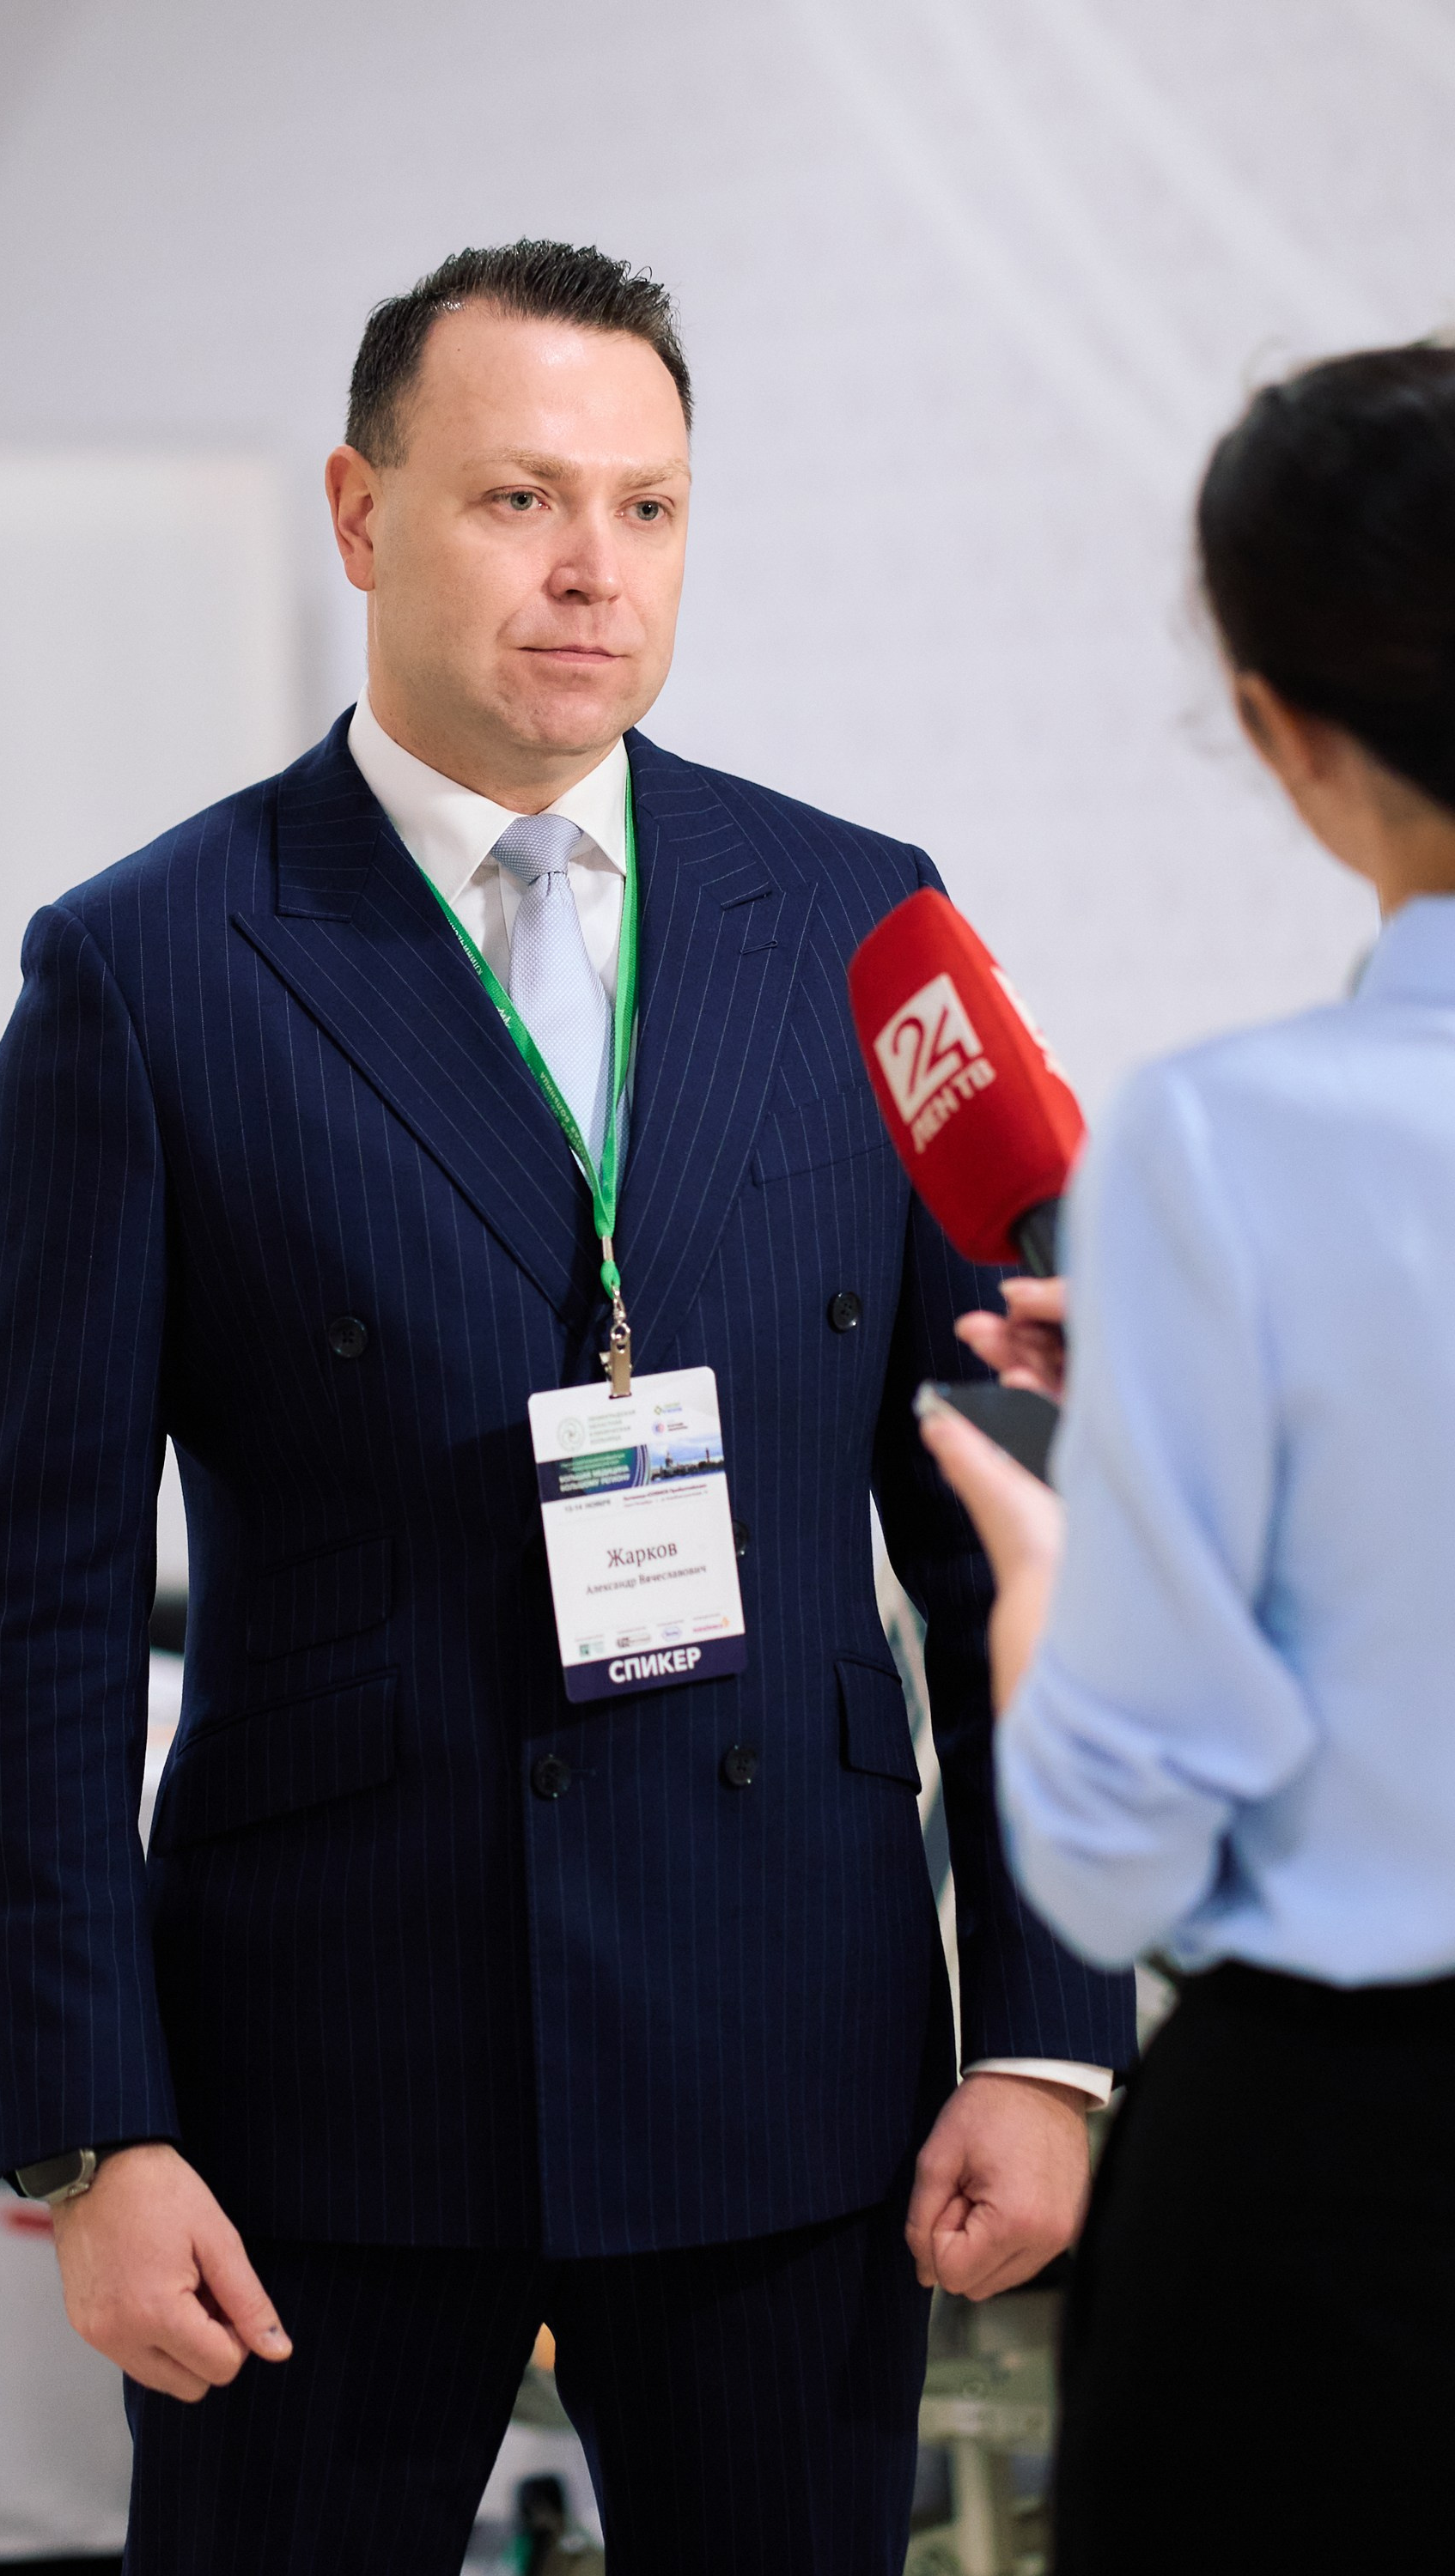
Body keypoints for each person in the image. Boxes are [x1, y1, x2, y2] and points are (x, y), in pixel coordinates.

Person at [0, 240, 1134, 2575]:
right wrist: (84, 2130)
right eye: (519, 501)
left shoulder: (866, 928)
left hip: (789, 2056)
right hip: (321, 2091)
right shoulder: (150, 969)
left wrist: (1049, 2032)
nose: (597, 572)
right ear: (362, 515)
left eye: (652, 509)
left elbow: (1019, 1529)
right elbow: (35, 1606)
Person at [917, 342, 1455, 2573]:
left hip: (1355, 2206)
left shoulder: (1229, 1143)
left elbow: (1124, 1843)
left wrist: (1054, 1580)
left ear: (1277, 724)